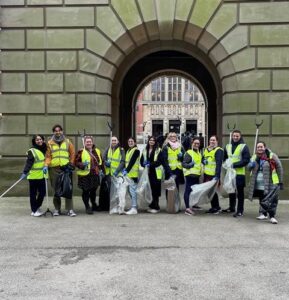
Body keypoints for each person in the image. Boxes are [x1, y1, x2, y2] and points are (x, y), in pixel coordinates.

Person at [44, 124, 76, 217]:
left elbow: (73, 154)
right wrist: (46, 165)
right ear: (53, 132)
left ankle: (70, 209)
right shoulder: (49, 143)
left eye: (59, 130)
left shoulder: (68, 142)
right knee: (55, 190)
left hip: (66, 168)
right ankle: (57, 209)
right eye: (55, 131)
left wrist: (71, 164)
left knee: (68, 189)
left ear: (62, 131)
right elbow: (48, 156)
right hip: (54, 169)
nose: (57, 132)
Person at [248, 142, 283, 224]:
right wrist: (251, 164)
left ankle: (272, 216)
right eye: (258, 147)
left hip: (270, 181)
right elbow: (248, 168)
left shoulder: (271, 155)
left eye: (261, 147)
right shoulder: (254, 156)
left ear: (265, 147)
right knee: (262, 197)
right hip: (258, 182)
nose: (260, 148)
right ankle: (263, 213)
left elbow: (279, 167)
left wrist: (280, 181)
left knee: (271, 199)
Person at [222, 130, 250, 217]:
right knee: (231, 190)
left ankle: (240, 210)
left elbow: (246, 160)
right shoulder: (227, 146)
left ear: (240, 137)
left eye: (237, 136)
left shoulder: (244, 147)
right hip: (230, 173)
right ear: (232, 136)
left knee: (240, 192)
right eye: (234, 136)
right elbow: (225, 158)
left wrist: (234, 165)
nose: (235, 137)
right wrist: (226, 164)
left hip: (239, 173)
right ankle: (231, 207)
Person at [75, 136, 104, 214]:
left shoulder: (97, 151)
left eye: (90, 141)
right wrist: (82, 165)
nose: (89, 143)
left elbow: (101, 162)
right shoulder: (81, 151)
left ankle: (94, 204)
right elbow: (76, 162)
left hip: (95, 174)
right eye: (87, 142)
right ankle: (87, 206)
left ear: (92, 142)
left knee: (93, 191)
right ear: (84, 143)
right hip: (85, 175)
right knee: (86, 191)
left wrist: (102, 171)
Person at [21, 135, 47, 217]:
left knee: (42, 193)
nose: (39, 141)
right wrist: (25, 172)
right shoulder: (31, 151)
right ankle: (34, 210)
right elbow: (29, 163)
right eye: (37, 140)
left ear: (43, 140)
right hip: (33, 176)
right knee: (33, 194)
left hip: (42, 175)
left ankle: (37, 206)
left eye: (40, 139)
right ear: (34, 141)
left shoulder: (44, 149)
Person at [140, 136, 163, 213]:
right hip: (147, 172)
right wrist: (144, 164)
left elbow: (160, 161)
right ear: (148, 141)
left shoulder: (158, 150)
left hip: (156, 172)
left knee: (155, 189)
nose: (152, 141)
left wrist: (150, 164)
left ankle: (156, 207)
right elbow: (141, 160)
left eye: (153, 140)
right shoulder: (145, 150)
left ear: (155, 142)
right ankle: (151, 205)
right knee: (149, 189)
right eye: (150, 140)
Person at [103, 136, 125, 213]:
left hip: (118, 174)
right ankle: (113, 207)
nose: (113, 142)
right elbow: (103, 157)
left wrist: (117, 170)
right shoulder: (108, 148)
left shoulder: (121, 149)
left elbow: (122, 161)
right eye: (112, 140)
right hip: (109, 174)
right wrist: (106, 162)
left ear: (117, 141)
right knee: (112, 191)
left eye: (115, 140)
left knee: (119, 191)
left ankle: (120, 207)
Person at [203, 135, 223, 214]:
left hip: (213, 175)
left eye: (214, 140)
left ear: (217, 141)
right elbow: (203, 158)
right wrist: (203, 160)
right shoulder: (206, 149)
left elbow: (218, 164)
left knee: (213, 192)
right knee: (209, 192)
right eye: (211, 140)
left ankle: (216, 207)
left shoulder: (219, 150)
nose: (212, 142)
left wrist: (217, 176)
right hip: (206, 174)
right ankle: (214, 207)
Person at [182, 137, 202, 215]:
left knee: (194, 191)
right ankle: (187, 208)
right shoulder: (189, 152)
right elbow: (184, 164)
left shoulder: (198, 152)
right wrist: (189, 165)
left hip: (196, 175)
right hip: (190, 175)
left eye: (198, 143)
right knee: (188, 190)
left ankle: (193, 205)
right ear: (192, 144)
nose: (196, 145)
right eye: (195, 143)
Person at [122, 137, 140, 215]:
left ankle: (134, 208)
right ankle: (134, 206)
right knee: (130, 191)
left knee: (133, 191)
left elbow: (132, 162)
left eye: (132, 141)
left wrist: (126, 170)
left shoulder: (136, 150)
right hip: (128, 174)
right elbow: (127, 162)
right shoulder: (128, 150)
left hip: (133, 174)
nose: (130, 142)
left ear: (135, 142)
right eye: (129, 141)